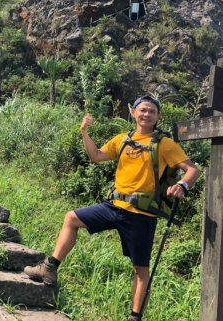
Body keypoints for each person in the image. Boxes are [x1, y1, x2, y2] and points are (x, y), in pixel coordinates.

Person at [24, 95, 201, 321]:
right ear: (134, 113)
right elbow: (96, 156)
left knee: (140, 270)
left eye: (152, 111)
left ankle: (134, 317)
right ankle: (49, 268)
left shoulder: (164, 143)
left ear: (158, 117)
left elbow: (192, 170)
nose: (146, 114)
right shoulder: (122, 139)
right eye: (142, 110)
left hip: (142, 215)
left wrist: (182, 184)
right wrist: (84, 132)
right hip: (114, 206)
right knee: (71, 218)